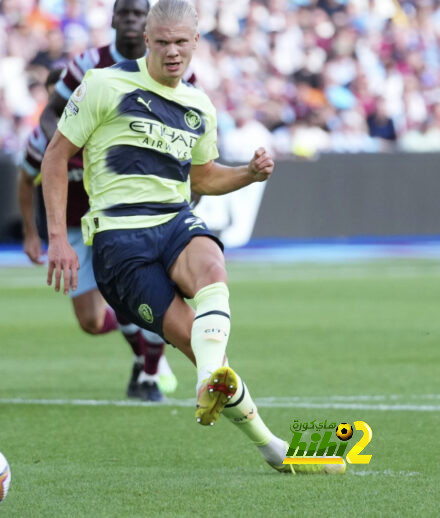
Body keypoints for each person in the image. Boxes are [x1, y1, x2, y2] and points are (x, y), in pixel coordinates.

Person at [41, 0, 344, 474]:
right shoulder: (104, 84)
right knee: (197, 342)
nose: (172, 52)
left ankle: (214, 386)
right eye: (162, 43)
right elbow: (55, 156)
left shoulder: (198, 106)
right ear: (147, 41)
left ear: (196, 42)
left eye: (182, 42)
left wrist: (247, 173)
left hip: (173, 220)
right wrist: (57, 238)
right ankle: (270, 446)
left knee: (212, 268)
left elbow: (200, 177)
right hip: (120, 240)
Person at [23, 0, 185, 402]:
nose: (130, 21)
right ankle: (145, 353)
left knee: (138, 292)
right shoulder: (89, 67)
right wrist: (62, 143)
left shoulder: (169, 65)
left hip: (131, 208)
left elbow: (184, 129)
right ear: (112, 19)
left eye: (138, 15)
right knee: (93, 319)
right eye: (124, 14)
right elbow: (49, 118)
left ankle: (149, 370)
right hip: (80, 217)